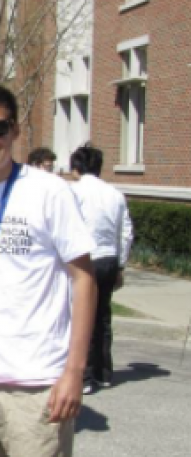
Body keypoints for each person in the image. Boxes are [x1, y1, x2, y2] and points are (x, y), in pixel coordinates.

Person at [0, 83, 97, 457]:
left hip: (36, 384)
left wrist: (75, 372)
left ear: (14, 130)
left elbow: (84, 280)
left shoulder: (49, 191)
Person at [69, 144, 133, 395]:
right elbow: (125, 232)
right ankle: (103, 372)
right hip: (108, 258)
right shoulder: (115, 194)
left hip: (86, 258)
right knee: (103, 316)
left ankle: (83, 376)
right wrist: (120, 264)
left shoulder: (74, 192)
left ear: (77, 167)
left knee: (81, 316)